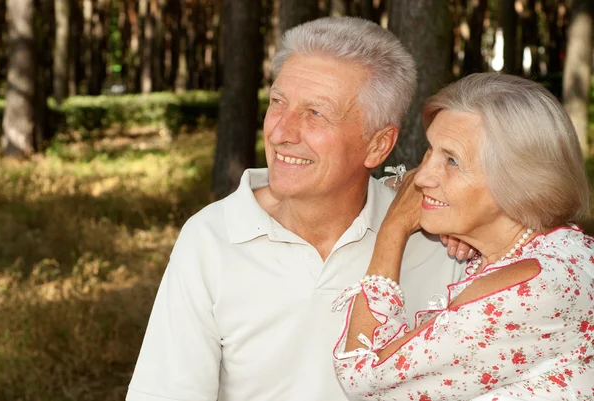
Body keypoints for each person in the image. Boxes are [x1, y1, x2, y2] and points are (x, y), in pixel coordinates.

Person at [126, 17, 466, 401]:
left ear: (378, 145)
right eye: (278, 103)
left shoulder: (436, 239)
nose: (280, 132)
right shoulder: (212, 237)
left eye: (315, 113)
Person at [332, 73, 594, 400]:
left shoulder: (526, 292)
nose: (423, 176)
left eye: (452, 161)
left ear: (518, 182)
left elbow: (364, 376)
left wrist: (393, 228)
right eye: (431, 152)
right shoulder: (567, 248)